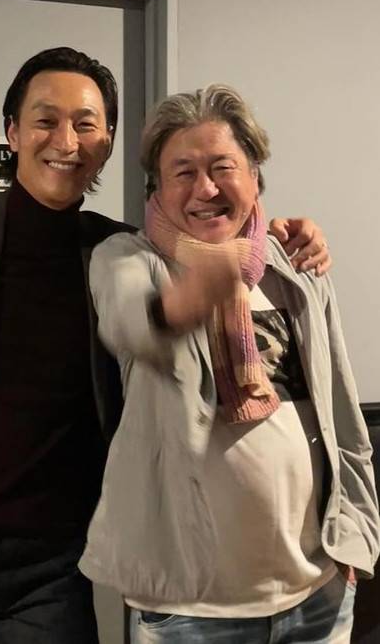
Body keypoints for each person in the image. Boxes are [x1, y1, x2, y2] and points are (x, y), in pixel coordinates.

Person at [0, 50, 331, 644]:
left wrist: (278, 235)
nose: (66, 141)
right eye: (46, 121)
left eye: (86, 124)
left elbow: (208, 235)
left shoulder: (118, 253)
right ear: (13, 132)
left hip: (54, 562)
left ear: (107, 142)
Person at [79, 84, 379, 644]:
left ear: (255, 176)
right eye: (183, 173)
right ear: (156, 187)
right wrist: (194, 293)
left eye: (223, 168)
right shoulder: (128, 260)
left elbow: (342, 416)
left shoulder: (294, 268)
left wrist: (357, 539)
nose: (206, 188)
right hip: (192, 610)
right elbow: (132, 321)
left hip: (318, 593)